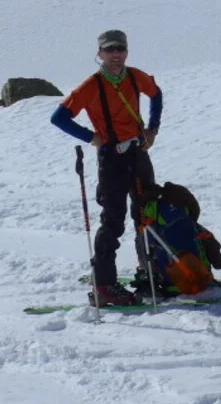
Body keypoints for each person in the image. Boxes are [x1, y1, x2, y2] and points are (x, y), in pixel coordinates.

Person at [51, 30, 162, 307]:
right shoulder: (91, 86)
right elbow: (59, 118)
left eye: (120, 49)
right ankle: (104, 285)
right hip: (111, 158)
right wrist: (91, 138)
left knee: (146, 212)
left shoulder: (136, 76)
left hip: (137, 153)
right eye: (110, 50)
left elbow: (156, 94)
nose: (116, 55)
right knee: (113, 219)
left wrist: (153, 129)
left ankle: (148, 273)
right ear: (99, 54)